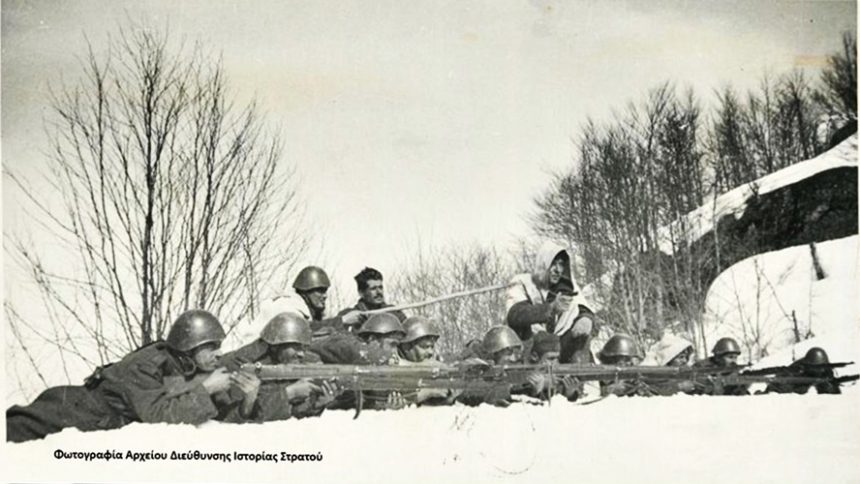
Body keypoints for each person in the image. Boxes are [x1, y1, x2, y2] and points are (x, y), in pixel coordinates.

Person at [7, 310, 259, 443]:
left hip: (104, 420)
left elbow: (218, 420)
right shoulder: (147, 365)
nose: (219, 353)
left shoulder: (195, 369)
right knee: (14, 430)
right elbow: (158, 417)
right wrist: (206, 390)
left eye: (218, 346)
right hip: (79, 410)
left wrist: (248, 400)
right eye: (211, 346)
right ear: (189, 346)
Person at [221, 312, 340, 420]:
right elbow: (243, 418)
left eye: (304, 348)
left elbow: (290, 413)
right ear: (275, 346)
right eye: (296, 347)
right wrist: (290, 393)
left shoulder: (284, 362)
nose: (301, 354)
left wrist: (317, 404)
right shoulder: (240, 365)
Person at [505, 241, 596, 364]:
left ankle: (582, 375)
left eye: (561, 264)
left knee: (582, 341)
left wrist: (586, 319)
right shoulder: (523, 282)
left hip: (560, 349)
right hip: (530, 349)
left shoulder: (568, 286)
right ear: (543, 264)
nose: (558, 270)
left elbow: (583, 308)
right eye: (553, 264)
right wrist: (550, 309)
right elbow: (516, 314)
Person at [237, 266, 363, 343]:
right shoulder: (289, 307)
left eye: (325, 291)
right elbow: (306, 330)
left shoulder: (295, 306)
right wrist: (342, 320)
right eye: (319, 290)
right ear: (305, 291)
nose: (325, 296)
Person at [337, 267, 407, 327]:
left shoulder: (394, 313)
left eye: (380, 287)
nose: (379, 292)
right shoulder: (349, 315)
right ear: (361, 293)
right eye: (373, 288)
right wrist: (343, 320)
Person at [764, 347, 841, 395]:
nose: (822, 370)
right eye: (818, 368)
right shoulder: (796, 371)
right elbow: (778, 385)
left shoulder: (826, 369)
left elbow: (835, 393)